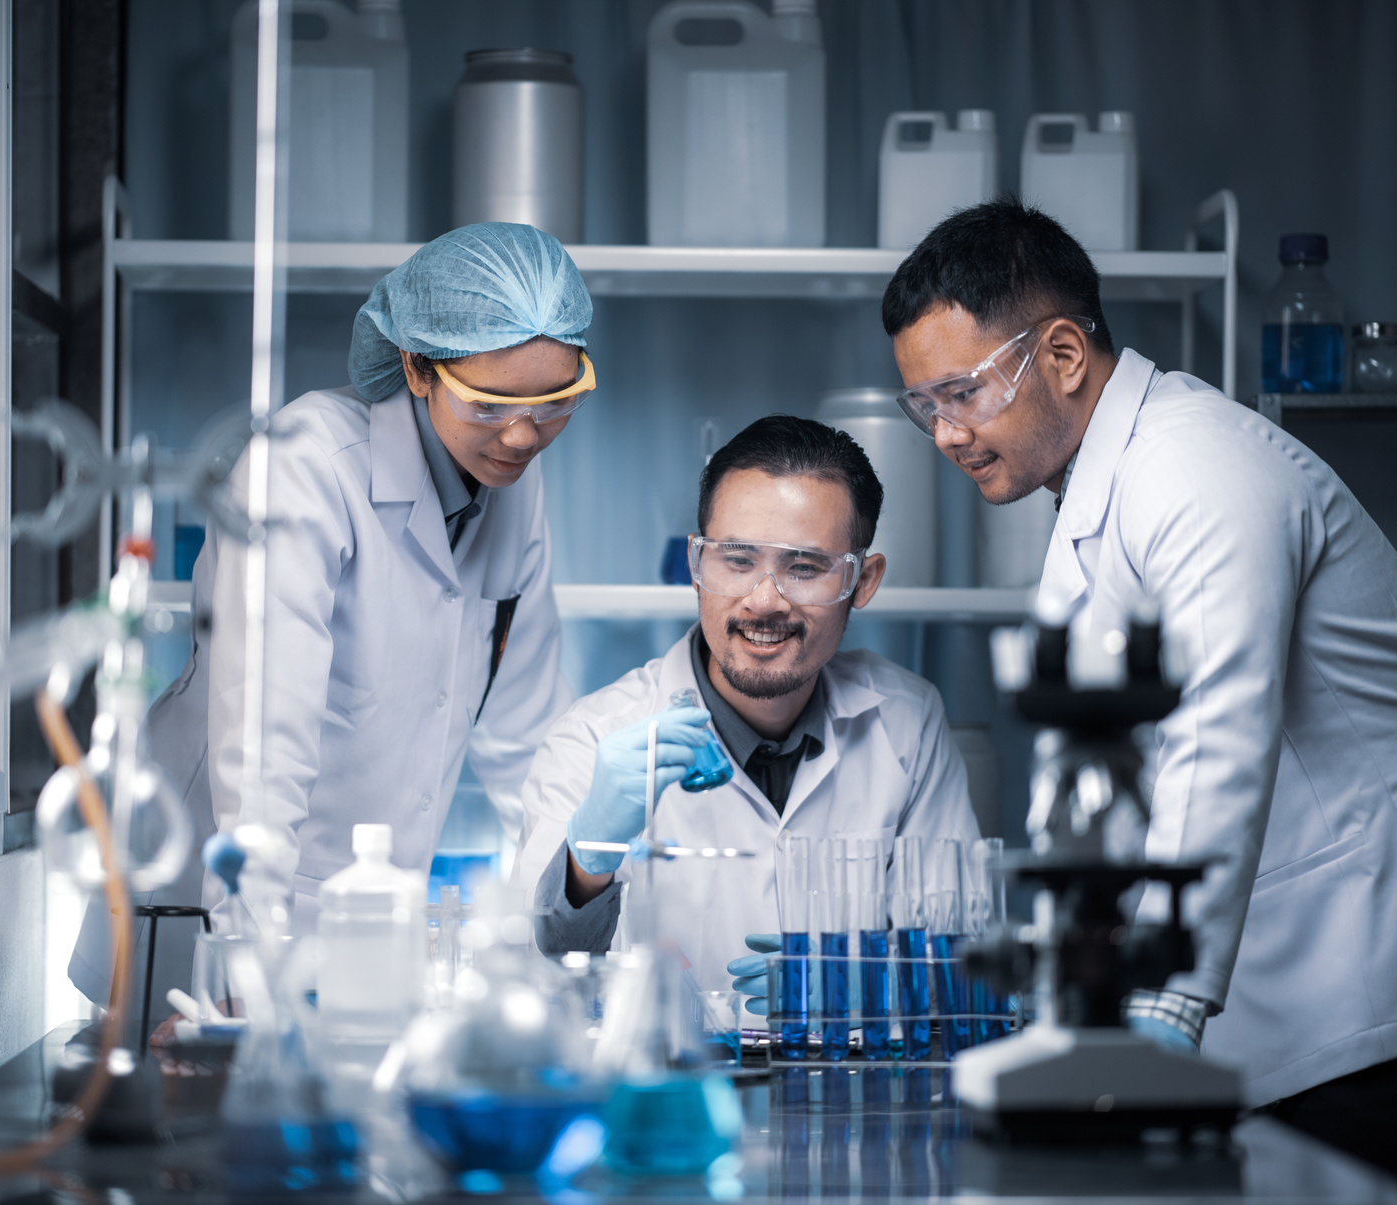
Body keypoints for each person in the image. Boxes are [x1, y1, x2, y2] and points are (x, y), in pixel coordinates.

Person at [883, 197, 1397, 1203]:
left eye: (959, 393)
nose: (944, 433)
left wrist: (1161, 1005)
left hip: (1395, 969)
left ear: (1059, 354)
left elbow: (1213, 727)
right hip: (1305, 986)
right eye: (922, 407)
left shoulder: (1194, 465)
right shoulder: (1102, 493)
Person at [71, 222, 591, 1011]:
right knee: (199, 1109)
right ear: (417, 368)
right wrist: (246, 960)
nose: (523, 436)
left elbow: (528, 742)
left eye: (553, 403)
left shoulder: (513, 491)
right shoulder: (305, 467)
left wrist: (568, 934)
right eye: (489, 405)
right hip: (207, 909)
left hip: (368, 919)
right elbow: (263, 744)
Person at [512, 415, 980, 996]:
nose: (764, 602)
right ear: (695, 565)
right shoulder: (594, 738)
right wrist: (588, 862)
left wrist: (858, 983)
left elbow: (962, 957)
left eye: (804, 568)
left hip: (847, 1081)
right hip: (672, 1084)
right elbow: (531, 981)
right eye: (737, 560)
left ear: (863, 581)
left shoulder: (907, 722)